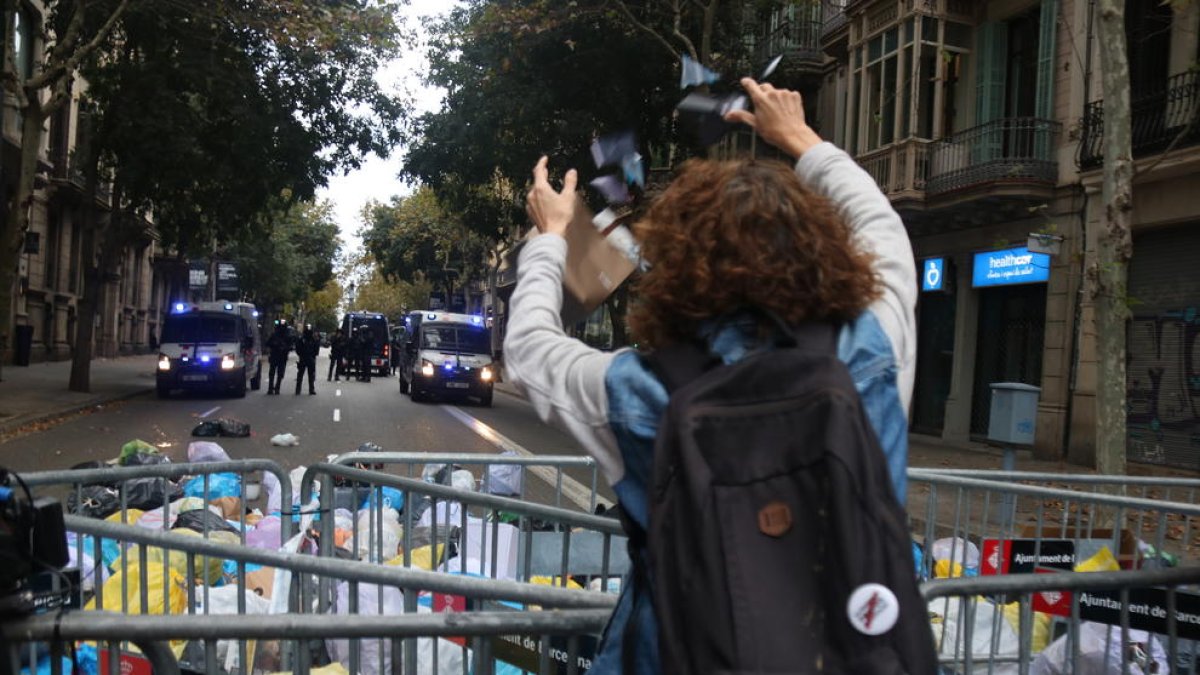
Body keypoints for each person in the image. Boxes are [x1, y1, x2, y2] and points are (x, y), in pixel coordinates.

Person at [504, 78, 916, 674]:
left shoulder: (640, 389)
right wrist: (801, 139)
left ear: (676, 268)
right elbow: (881, 225)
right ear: (825, 250)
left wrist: (550, 239)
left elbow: (529, 349)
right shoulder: (875, 350)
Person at [265, 323, 293, 395]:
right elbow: (268, 343)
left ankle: (277, 388)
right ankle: (271, 388)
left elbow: (291, 346)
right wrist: (275, 344)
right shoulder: (274, 335)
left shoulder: (287, 336)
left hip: (282, 356)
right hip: (275, 355)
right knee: (272, 373)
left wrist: (285, 348)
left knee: (280, 374)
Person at [294, 326, 320, 395]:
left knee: (310, 375)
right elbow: (297, 349)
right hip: (303, 358)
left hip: (310, 358)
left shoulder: (313, 340)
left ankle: (311, 389)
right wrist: (301, 354)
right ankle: (298, 389)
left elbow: (316, 350)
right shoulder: (302, 340)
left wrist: (312, 355)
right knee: (301, 375)